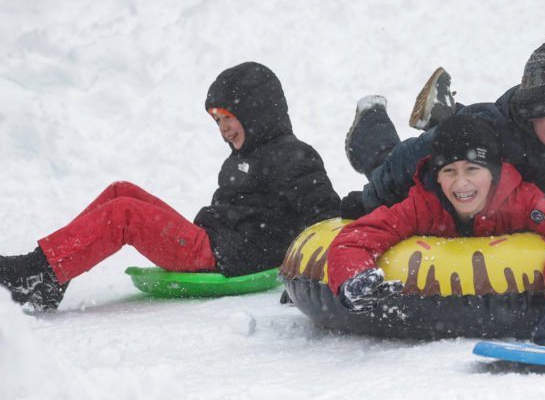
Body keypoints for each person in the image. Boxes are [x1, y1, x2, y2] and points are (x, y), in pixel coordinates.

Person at [0, 62, 343, 311]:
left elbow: (325, 217)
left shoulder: (294, 157)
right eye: (217, 120)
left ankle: (36, 275)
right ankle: (50, 275)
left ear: (256, 112)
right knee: (121, 191)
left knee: (124, 214)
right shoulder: (242, 157)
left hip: (224, 256)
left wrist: (305, 282)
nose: (223, 128)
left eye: (229, 117)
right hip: (214, 242)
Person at [328, 114, 545, 346]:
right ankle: (372, 116)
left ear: (494, 172)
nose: (461, 184)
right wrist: (353, 279)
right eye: (449, 171)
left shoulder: (519, 200)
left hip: (535, 195)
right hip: (393, 179)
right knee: (377, 172)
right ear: (437, 176)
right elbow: (356, 239)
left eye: (473, 169)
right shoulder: (423, 204)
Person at [342, 37, 545, 219]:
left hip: (527, 181)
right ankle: (371, 116)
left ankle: (445, 114)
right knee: (385, 161)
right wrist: (372, 203)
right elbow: (407, 160)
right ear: (532, 114)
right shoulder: (494, 133)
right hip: (462, 151)